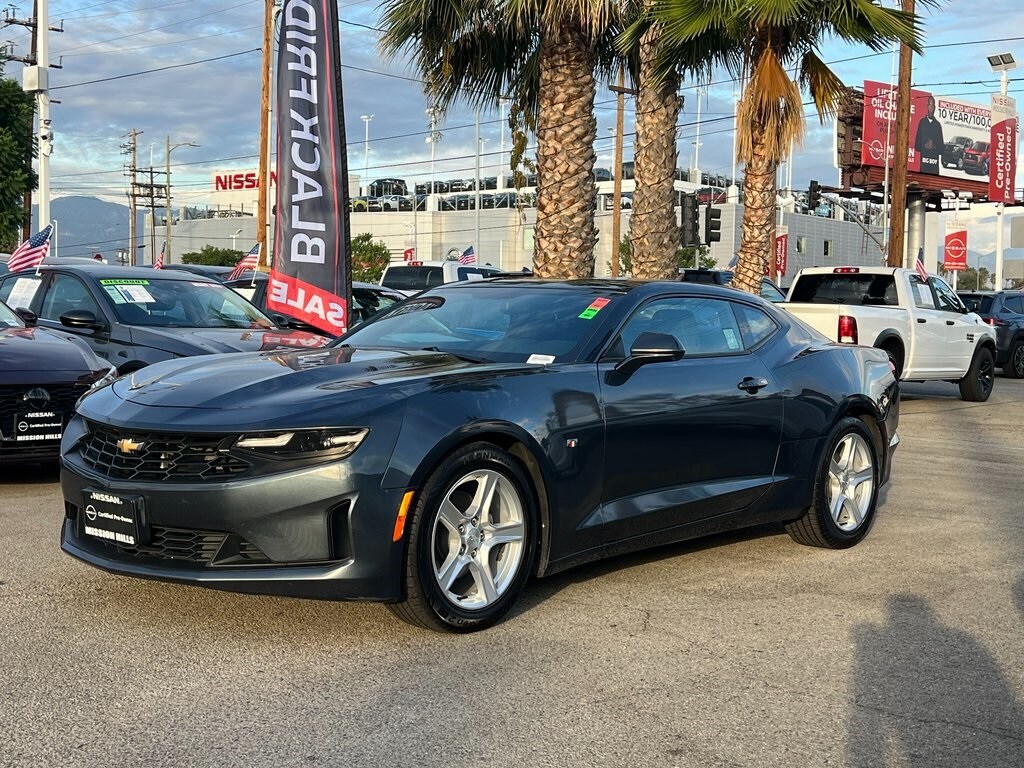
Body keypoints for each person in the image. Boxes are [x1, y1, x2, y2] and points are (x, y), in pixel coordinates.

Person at [914, 94, 944, 175]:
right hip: (924, 167)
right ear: (927, 106)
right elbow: (917, 146)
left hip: (934, 168)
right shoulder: (922, 123)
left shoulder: (938, 125)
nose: (931, 108)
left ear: (935, 108)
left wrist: (934, 145)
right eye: (930, 105)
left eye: (933, 106)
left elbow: (941, 149)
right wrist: (925, 145)